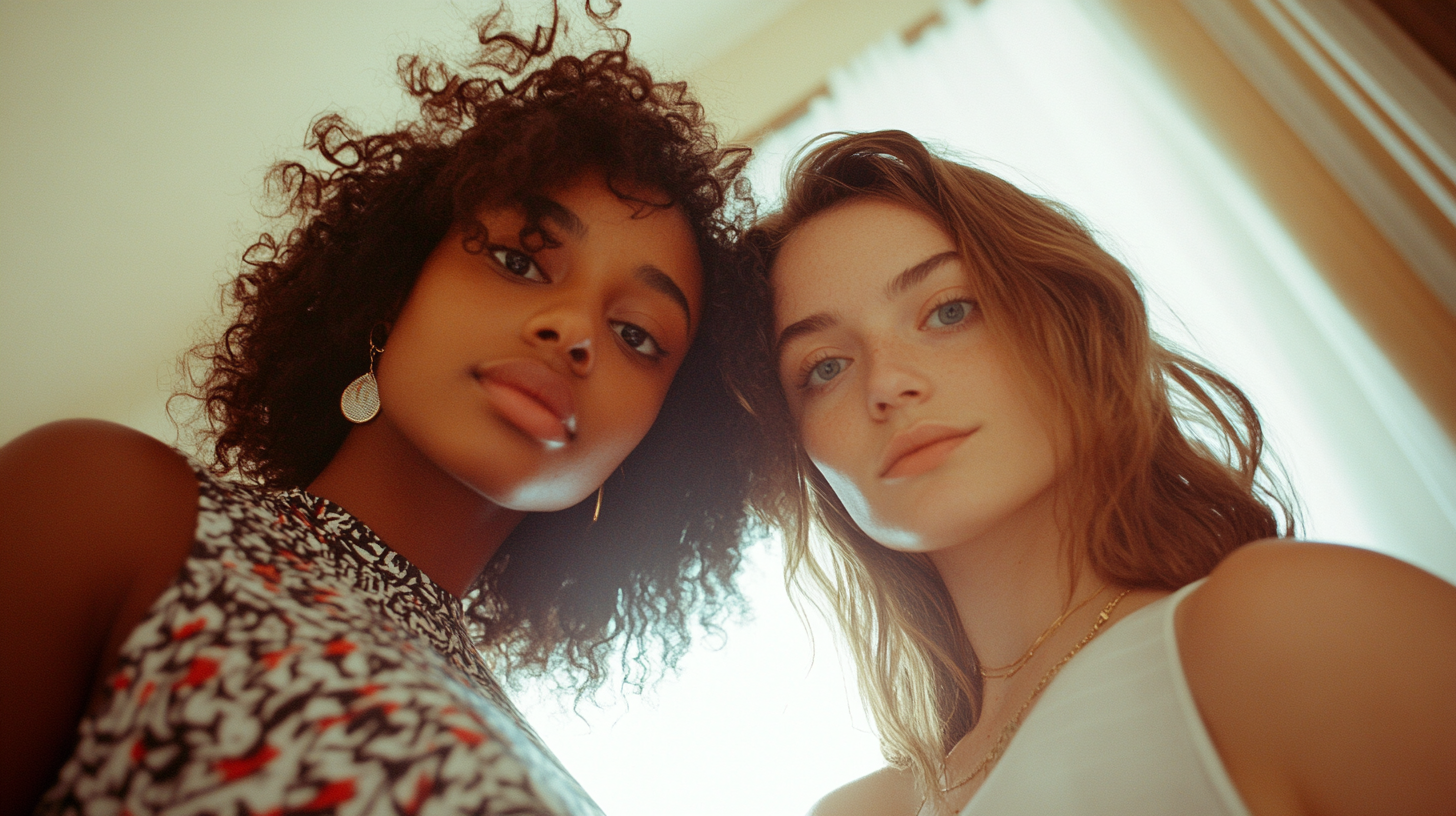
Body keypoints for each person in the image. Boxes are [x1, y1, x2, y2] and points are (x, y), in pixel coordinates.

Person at [0, 6, 759, 814]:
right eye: (518, 259)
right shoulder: (110, 504)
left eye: (638, 335)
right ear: (394, 289)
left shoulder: (554, 771)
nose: (575, 331)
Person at [723, 130, 1456, 816]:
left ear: (1069, 328)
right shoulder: (855, 812)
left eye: (949, 311)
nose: (887, 383)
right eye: (824, 367)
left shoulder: (1283, 628)